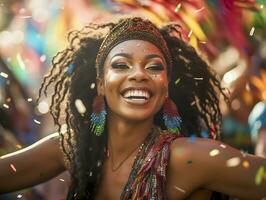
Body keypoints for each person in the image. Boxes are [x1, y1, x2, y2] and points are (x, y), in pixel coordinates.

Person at [0, 17, 266, 200]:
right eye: (121, 65)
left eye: (154, 67)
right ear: (101, 85)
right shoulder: (74, 147)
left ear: (166, 89)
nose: (139, 74)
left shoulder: (188, 157)